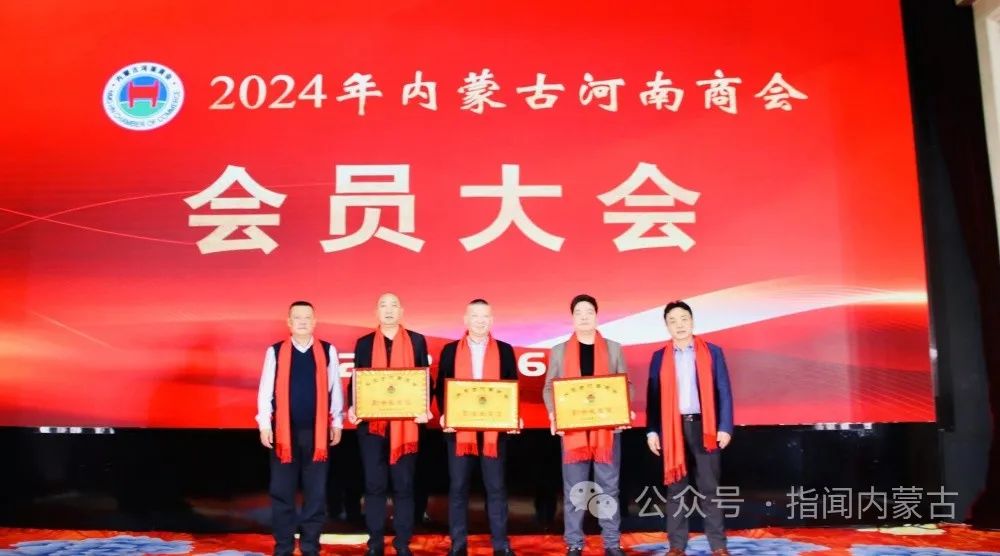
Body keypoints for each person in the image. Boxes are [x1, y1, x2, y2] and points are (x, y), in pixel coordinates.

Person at [542, 294, 631, 556]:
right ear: (572, 318)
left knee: (609, 488)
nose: (584, 317)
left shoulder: (614, 348)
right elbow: (549, 388)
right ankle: (574, 543)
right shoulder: (559, 351)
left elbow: (625, 385)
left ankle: (612, 543)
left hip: (607, 430)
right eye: (578, 312)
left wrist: (624, 408)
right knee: (575, 489)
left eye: (589, 312)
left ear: (596, 316)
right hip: (573, 430)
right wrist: (554, 415)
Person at [646, 300, 734, 556]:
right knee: (676, 489)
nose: (679, 325)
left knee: (710, 488)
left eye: (684, 318)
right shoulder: (659, 357)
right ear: (666, 326)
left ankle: (718, 546)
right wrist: (652, 430)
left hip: (705, 427)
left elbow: (724, 391)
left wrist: (725, 426)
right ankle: (676, 546)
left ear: (692, 321)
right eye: (672, 321)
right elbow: (653, 397)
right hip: (672, 429)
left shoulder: (712, 352)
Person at [256, 300, 343, 556]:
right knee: (282, 492)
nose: (303, 322)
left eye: (307, 317)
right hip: (284, 434)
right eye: (297, 317)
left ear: (314, 322)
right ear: (289, 322)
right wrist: (264, 424)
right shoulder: (275, 351)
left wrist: (337, 422)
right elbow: (265, 390)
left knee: (315, 494)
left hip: (317, 434)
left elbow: (335, 389)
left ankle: (310, 547)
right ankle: (283, 547)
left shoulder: (327, 350)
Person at [348, 292, 431, 556]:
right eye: (383, 305)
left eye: (394, 305)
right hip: (372, 427)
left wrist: (424, 407)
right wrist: (353, 407)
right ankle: (375, 543)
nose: (388, 309)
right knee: (374, 486)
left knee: (404, 487)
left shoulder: (416, 341)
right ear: (376, 312)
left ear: (401, 311)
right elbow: (357, 380)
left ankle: (402, 543)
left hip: (406, 425)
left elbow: (424, 378)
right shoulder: (364, 343)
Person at [434, 299, 520, 556]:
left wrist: (513, 415)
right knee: (458, 487)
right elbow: (441, 386)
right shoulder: (450, 350)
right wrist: (446, 414)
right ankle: (458, 544)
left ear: (491, 320)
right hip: (460, 431)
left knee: (496, 488)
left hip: (494, 430)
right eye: (475, 316)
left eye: (485, 316)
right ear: (466, 320)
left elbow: (511, 385)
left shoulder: (505, 350)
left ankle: (500, 545)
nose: (480, 321)